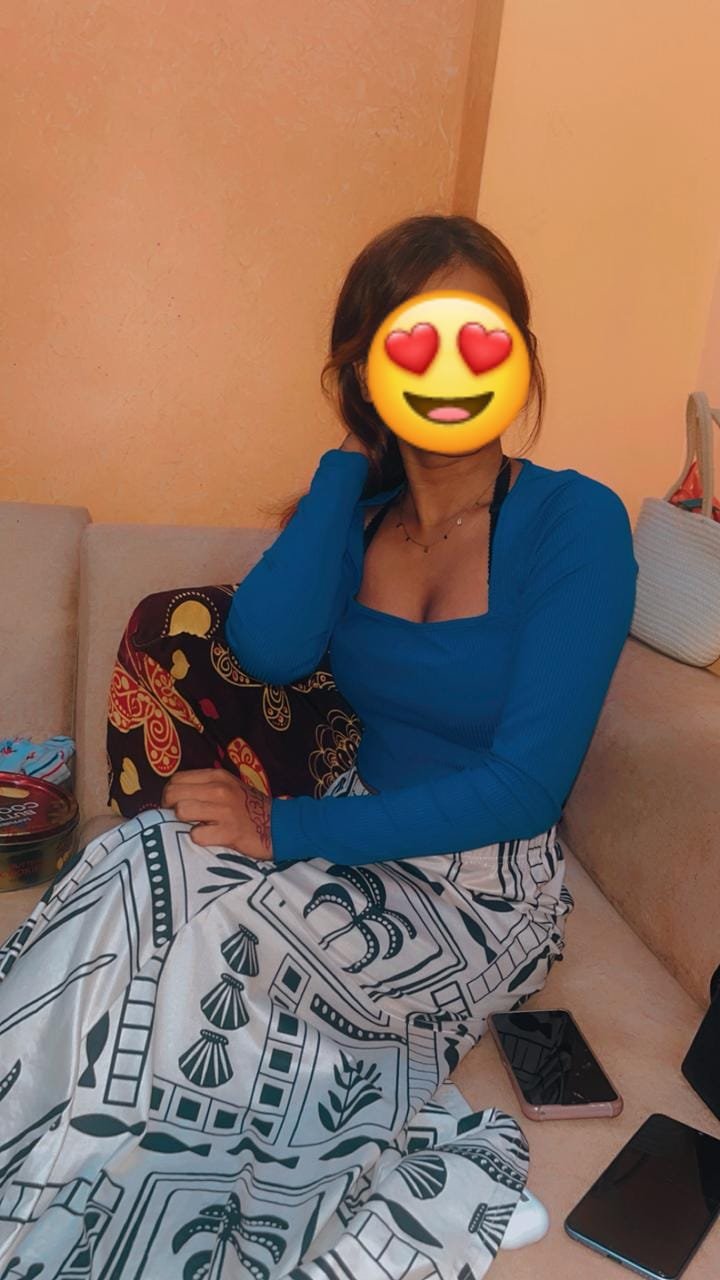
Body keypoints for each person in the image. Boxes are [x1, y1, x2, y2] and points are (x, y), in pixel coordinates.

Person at [0, 214, 638, 1280]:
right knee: (132, 859)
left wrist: (281, 826)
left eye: (478, 337)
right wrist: (349, 466)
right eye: (410, 342)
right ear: (366, 369)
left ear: (520, 354)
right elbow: (267, 645)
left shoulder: (577, 521)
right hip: (348, 826)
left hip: (481, 886)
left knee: (210, 948)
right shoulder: (364, 518)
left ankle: (127, 1222)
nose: (447, 369)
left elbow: (527, 787)